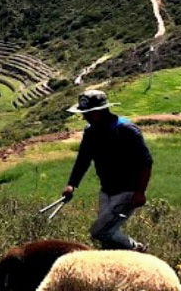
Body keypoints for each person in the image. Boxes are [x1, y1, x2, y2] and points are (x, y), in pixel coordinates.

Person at [61, 89, 152, 252]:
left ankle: (137, 250)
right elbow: (83, 159)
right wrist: (72, 184)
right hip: (106, 191)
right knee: (107, 237)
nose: (84, 117)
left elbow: (146, 162)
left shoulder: (127, 130)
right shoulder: (90, 131)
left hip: (127, 192)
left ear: (99, 112)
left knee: (100, 232)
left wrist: (140, 192)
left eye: (88, 114)